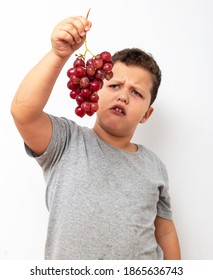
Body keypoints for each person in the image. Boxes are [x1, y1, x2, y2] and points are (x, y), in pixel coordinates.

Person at [11, 15, 181, 260]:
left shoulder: (155, 166)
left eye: (136, 93)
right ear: (96, 88)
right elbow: (23, 113)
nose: (123, 96)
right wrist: (58, 55)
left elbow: (165, 231)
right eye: (114, 86)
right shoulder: (66, 142)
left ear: (147, 114)